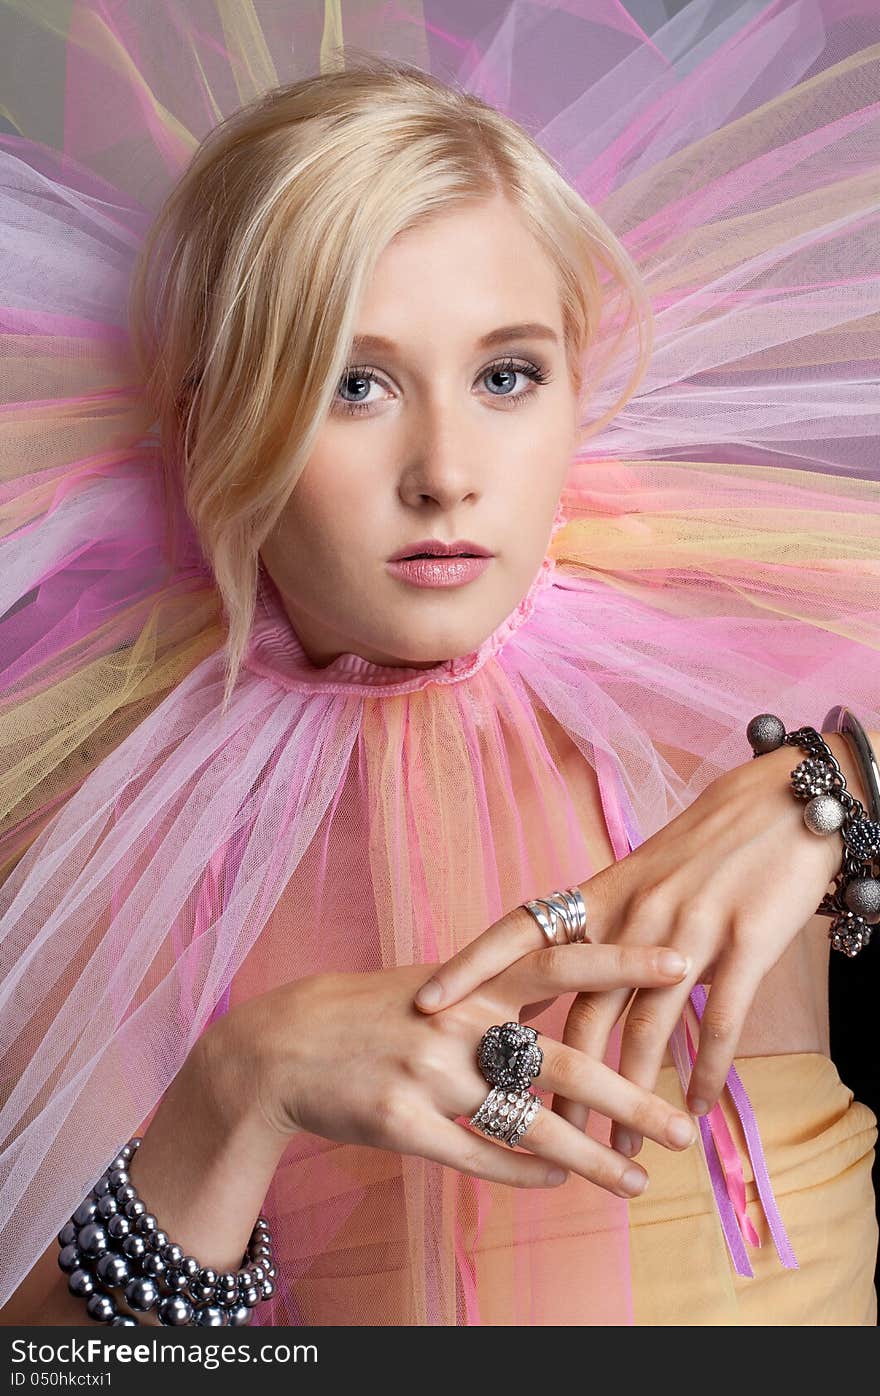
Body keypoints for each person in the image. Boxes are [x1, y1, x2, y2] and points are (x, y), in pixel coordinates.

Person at [1, 0, 879, 1328]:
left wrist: (847, 792)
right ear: (205, 429)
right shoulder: (111, 856)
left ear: (580, 384)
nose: (447, 475)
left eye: (507, 377)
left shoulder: (745, 700)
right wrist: (239, 1086)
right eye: (352, 385)